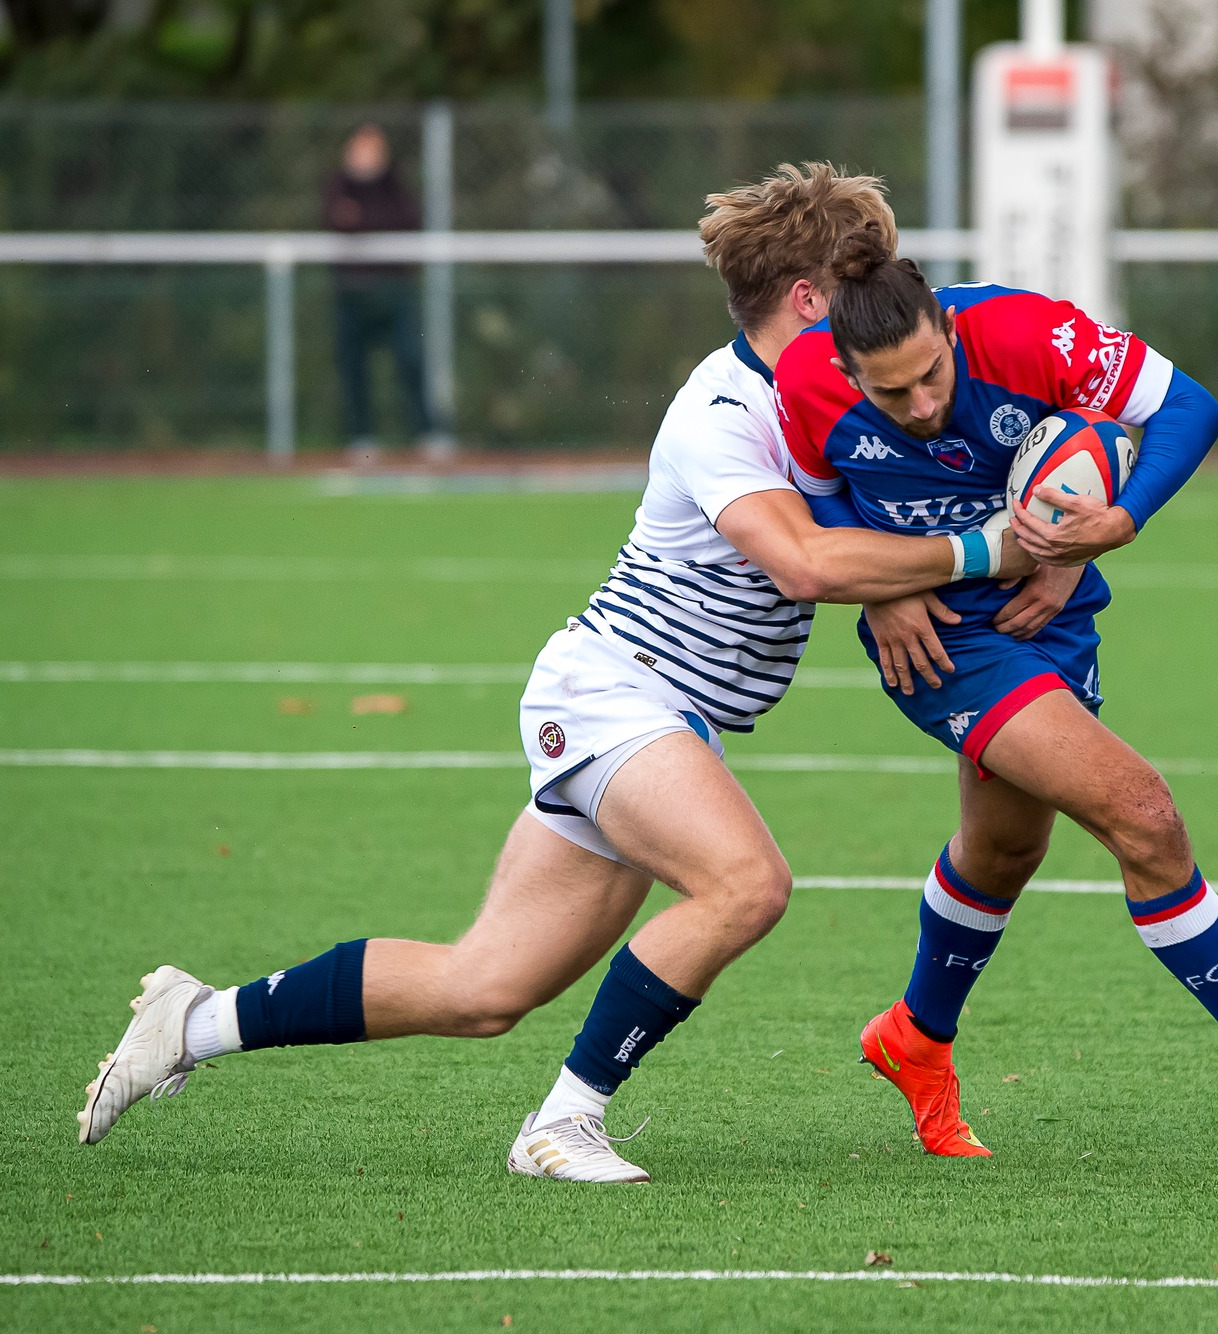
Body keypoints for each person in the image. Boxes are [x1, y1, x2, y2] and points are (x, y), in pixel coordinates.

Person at [79, 163, 1036, 1183]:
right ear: (809, 300)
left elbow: (857, 515)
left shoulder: (832, 404)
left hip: (664, 718)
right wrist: (990, 550)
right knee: (745, 885)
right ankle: (561, 1123)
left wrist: (926, 563)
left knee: (481, 988)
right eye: (859, 278)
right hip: (614, 696)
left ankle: (196, 1019)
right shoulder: (722, 408)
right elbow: (802, 559)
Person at [773, 231, 1218, 1160]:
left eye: (932, 374)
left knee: (1005, 847)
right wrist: (886, 592)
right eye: (890, 392)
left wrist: (1111, 527)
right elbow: (818, 507)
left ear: (946, 327)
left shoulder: (1027, 333)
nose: (923, 404)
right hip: (944, 640)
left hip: (1053, 610)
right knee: (1143, 813)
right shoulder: (805, 381)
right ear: (846, 367)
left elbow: (1189, 409)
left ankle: (914, 1038)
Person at [323, 124, 449, 463]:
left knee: (411, 361)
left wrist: (361, 219)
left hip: (394, 293)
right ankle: (361, 437)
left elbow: (407, 217)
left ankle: (428, 433)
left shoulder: (393, 184)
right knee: (354, 368)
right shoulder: (338, 184)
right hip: (352, 293)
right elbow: (336, 220)